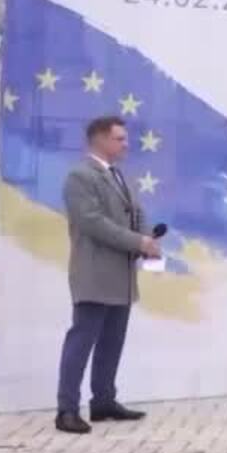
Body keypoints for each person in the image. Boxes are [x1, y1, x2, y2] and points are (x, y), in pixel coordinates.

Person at [56, 116, 157, 435]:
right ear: (99, 139)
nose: (126, 144)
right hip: (95, 273)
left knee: (112, 342)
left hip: (121, 275)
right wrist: (137, 241)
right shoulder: (80, 176)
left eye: (125, 139)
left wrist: (147, 239)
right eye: (120, 139)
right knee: (81, 341)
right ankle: (67, 409)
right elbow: (92, 222)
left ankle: (103, 400)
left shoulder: (118, 175)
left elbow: (136, 212)